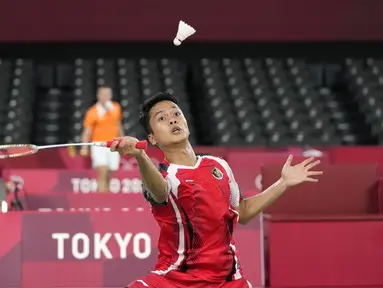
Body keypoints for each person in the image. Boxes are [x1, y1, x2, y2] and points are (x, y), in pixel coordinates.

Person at [109, 92, 323, 288]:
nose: (172, 119)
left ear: (186, 122)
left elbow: (243, 211)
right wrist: (140, 156)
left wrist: (283, 182)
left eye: (176, 113)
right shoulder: (163, 175)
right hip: (175, 280)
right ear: (152, 138)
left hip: (227, 281)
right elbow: (160, 192)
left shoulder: (219, 165)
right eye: (162, 118)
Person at [81, 85, 124, 192]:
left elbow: (119, 125)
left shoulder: (116, 107)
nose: (105, 96)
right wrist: (84, 147)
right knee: (102, 171)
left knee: (110, 173)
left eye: (107, 94)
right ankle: (101, 195)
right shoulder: (92, 111)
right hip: (99, 145)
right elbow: (87, 131)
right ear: (98, 96)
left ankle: (106, 194)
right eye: (103, 94)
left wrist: (122, 141)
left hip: (113, 144)